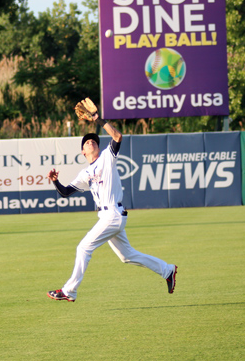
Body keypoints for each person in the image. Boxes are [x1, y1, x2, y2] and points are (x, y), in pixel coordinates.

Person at [46, 111, 177, 302]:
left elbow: (117, 136)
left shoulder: (107, 157)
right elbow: (65, 192)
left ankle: (69, 291)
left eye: (94, 141)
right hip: (107, 216)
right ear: (83, 152)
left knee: (83, 248)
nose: (91, 142)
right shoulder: (85, 173)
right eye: (87, 142)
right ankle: (167, 270)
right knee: (127, 256)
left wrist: (98, 119)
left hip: (113, 214)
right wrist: (55, 181)